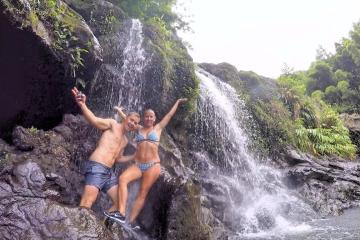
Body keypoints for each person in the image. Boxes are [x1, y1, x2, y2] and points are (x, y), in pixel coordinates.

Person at [104, 98, 187, 230]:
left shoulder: (158, 128)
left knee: (142, 193)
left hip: (153, 165)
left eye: (151, 117)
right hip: (138, 164)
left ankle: (130, 222)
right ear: (144, 118)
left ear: (154, 119)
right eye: (147, 116)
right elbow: (128, 119)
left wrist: (177, 102)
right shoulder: (139, 128)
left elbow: (169, 115)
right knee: (122, 179)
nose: (149, 118)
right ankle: (121, 213)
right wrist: (119, 111)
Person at [71, 87, 140, 212]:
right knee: (87, 201)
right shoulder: (112, 124)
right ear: (126, 118)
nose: (133, 124)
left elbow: (118, 158)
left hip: (108, 173)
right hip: (97, 166)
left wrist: (133, 156)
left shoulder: (125, 141)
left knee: (120, 202)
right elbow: (94, 120)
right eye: (131, 120)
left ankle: (102, 228)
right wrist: (83, 105)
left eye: (135, 123)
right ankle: (77, 229)